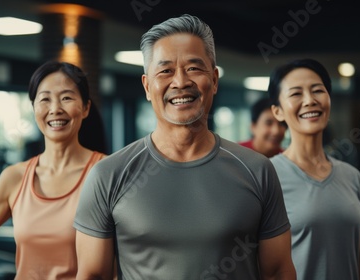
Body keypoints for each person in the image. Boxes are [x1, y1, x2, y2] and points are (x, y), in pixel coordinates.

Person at [73, 14, 296, 280]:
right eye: (165, 70)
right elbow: (92, 275)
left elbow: (278, 272)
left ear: (213, 80)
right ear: (147, 86)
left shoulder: (257, 170)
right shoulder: (108, 175)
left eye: (193, 68)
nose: (180, 82)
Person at [0, 61, 107, 279]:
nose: (55, 109)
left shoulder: (106, 173)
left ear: (85, 108)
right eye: (45, 99)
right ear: (34, 108)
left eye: (66, 97)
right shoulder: (14, 177)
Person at [268, 58, 360, 280]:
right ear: (278, 111)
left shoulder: (351, 176)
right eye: (296, 94)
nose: (310, 100)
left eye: (318, 90)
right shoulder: (267, 176)